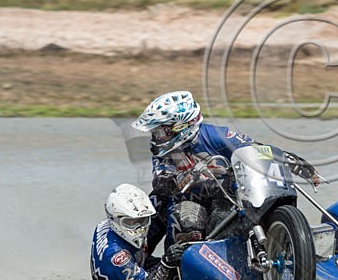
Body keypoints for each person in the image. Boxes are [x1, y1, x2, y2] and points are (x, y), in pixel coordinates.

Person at [131, 91, 321, 250]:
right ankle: (163, 269)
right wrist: (175, 180)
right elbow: (160, 180)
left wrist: (300, 166)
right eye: (154, 133)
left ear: (182, 126)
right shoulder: (164, 153)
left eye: (160, 132)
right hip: (187, 204)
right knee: (171, 209)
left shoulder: (216, 135)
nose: (157, 138)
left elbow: (255, 149)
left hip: (227, 200)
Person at [90, 183, 185, 280]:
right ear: (116, 220)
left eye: (142, 220)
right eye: (130, 222)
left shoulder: (113, 221)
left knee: (164, 197)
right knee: (181, 274)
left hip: (135, 258)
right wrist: (167, 263)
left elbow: (149, 207)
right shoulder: (117, 256)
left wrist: (168, 187)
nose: (139, 228)